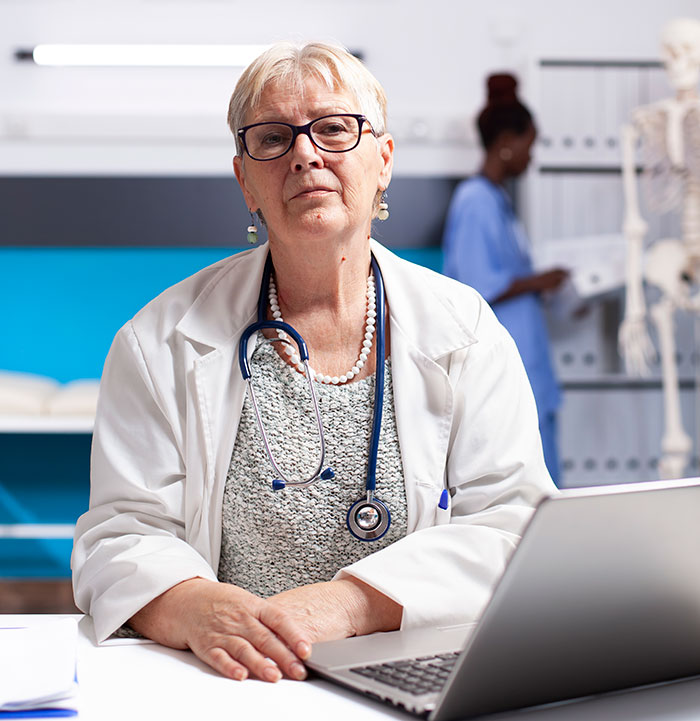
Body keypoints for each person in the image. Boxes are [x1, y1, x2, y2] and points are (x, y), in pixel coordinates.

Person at [72, 43, 555, 685]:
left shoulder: (463, 330)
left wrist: (347, 603)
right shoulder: (159, 339)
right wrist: (191, 606)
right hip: (229, 676)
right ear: (245, 179)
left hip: (409, 670)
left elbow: (514, 526)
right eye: (273, 138)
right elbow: (119, 534)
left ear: (382, 161)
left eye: (333, 128)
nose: (305, 154)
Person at [442, 73, 567, 486]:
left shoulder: (497, 200)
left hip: (528, 355)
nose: (532, 156)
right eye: (530, 144)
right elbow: (477, 285)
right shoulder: (475, 200)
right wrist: (538, 281)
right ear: (507, 142)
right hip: (508, 359)